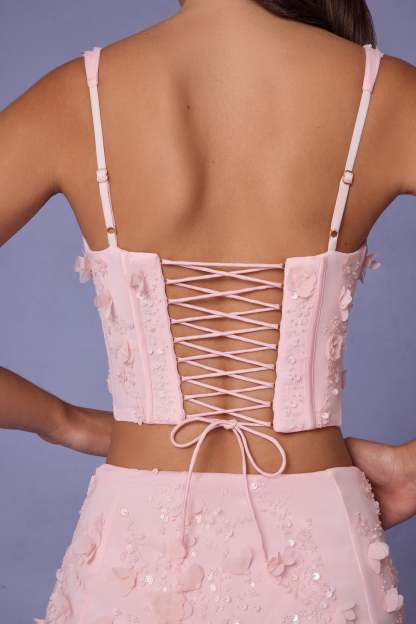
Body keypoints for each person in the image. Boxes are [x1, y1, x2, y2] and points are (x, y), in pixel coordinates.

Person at [1, 0, 415, 622]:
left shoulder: (75, 96)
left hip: (133, 547)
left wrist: (64, 422)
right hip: (322, 545)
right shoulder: (384, 94)